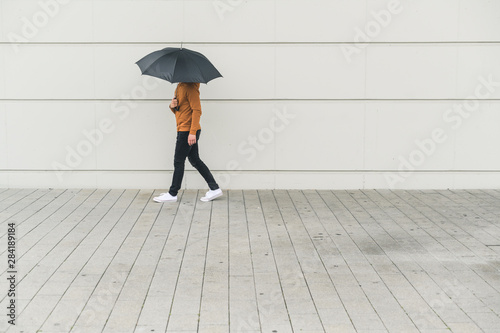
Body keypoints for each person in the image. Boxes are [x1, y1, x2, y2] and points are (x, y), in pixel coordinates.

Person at [153, 82, 222, 203]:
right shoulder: (180, 87)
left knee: (178, 161)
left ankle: (172, 193)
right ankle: (214, 188)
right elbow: (181, 112)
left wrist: (192, 132)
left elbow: (197, 111)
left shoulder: (190, 88)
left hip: (188, 131)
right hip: (183, 129)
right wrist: (172, 106)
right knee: (195, 160)